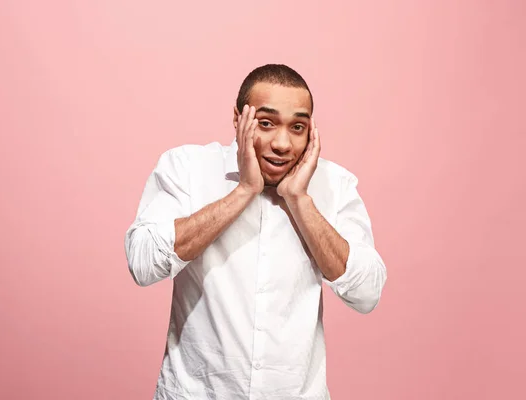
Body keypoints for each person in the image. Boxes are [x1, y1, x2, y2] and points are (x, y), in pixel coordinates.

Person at [124, 64, 387, 400]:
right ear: (237, 119)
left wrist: (299, 200)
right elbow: (143, 264)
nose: (282, 143)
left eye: (297, 127)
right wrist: (244, 191)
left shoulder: (335, 185)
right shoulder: (187, 168)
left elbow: (367, 294)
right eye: (266, 123)